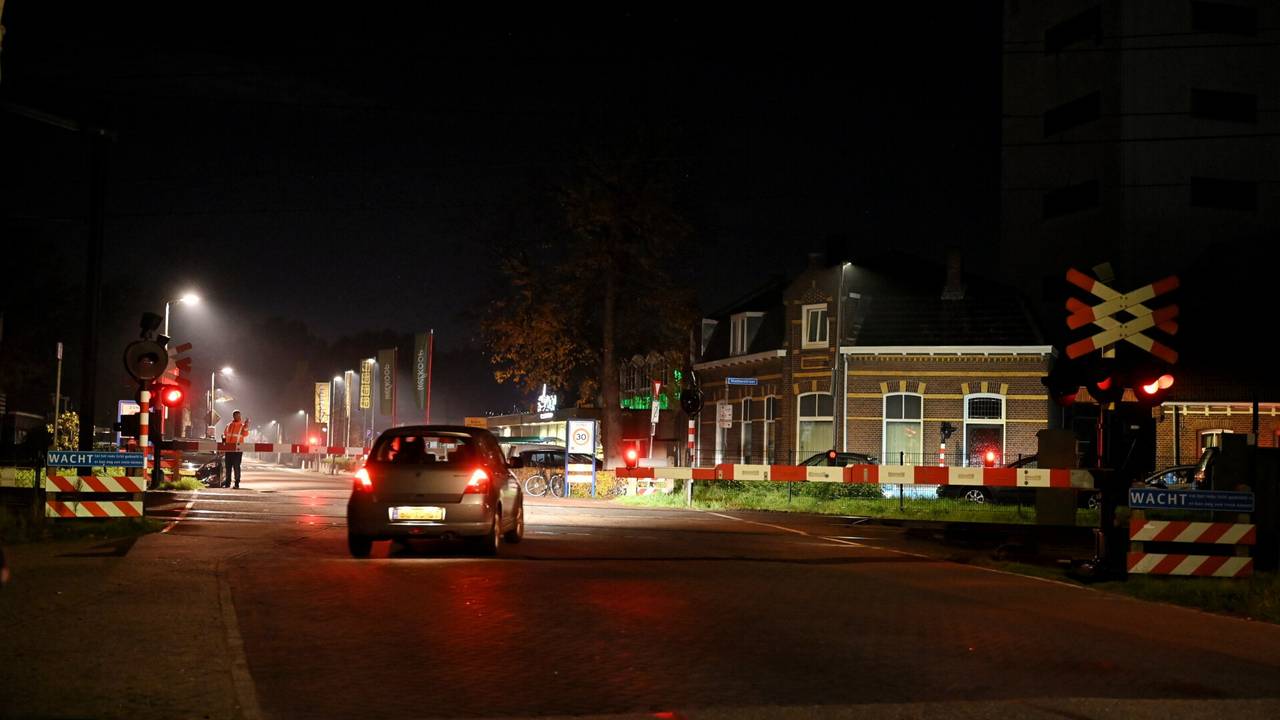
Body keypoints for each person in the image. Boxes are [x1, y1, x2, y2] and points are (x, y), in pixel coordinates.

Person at [222, 410, 250, 489]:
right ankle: (227, 483)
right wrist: (223, 443)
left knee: (236, 466)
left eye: (239, 415)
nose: (238, 417)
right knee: (228, 467)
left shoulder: (242, 426)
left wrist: (246, 425)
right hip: (228, 450)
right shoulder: (228, 425)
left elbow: (245, 434)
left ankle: (237, 483)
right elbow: (224, 435)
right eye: (236, 415)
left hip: (237, 450)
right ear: (233, 416)